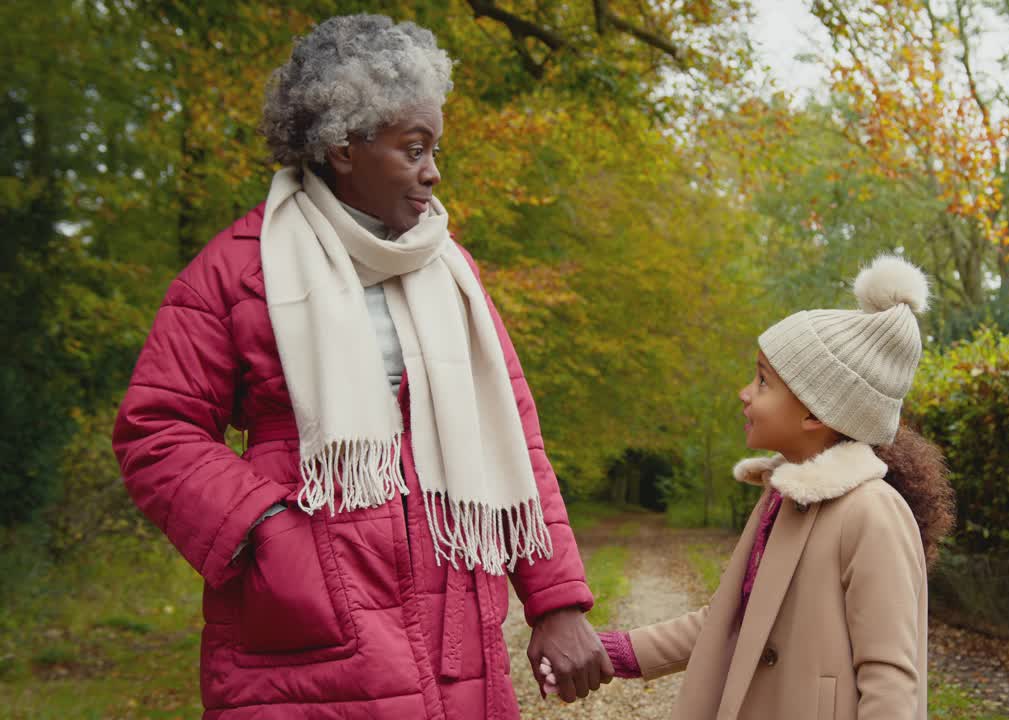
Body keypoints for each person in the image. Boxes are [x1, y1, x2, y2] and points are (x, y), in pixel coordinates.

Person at [113, 14, 611, 718]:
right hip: (304, 636)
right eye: (414, 149)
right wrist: (269, 531)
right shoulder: (236, 270)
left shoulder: (453, 274)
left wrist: (556, 602)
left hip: (454, 631)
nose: (433, 171)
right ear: (344, 148)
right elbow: (156, 430)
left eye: (435, 148)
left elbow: (516, 440)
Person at [546, 256, 955, 718]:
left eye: (763, 381)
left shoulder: (873, 512)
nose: (745, 392)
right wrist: (617, 652)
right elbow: (731, 618)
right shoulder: (781, 500)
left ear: (815, 413)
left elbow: (890, 679)